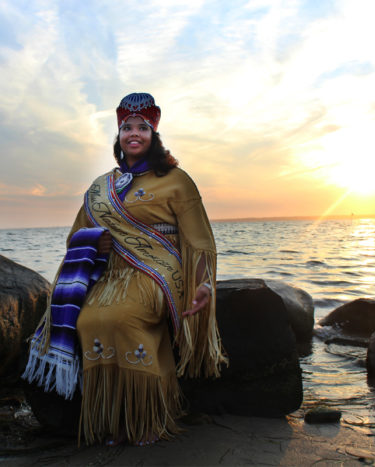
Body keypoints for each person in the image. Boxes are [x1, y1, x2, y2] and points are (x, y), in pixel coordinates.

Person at [23, 92, 227, 446]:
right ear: (119, 136)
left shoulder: (177, 180)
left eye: (142, 128)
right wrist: (92, 240)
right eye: (126, 128)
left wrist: (204, 283)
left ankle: (150, 418)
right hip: (112, 274)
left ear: (154, 136)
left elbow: (200, 241)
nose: (134, 133)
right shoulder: (102, 186)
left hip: (159, 273)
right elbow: (75, 235)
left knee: (124, 319)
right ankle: (113, 420)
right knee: (88, 322)